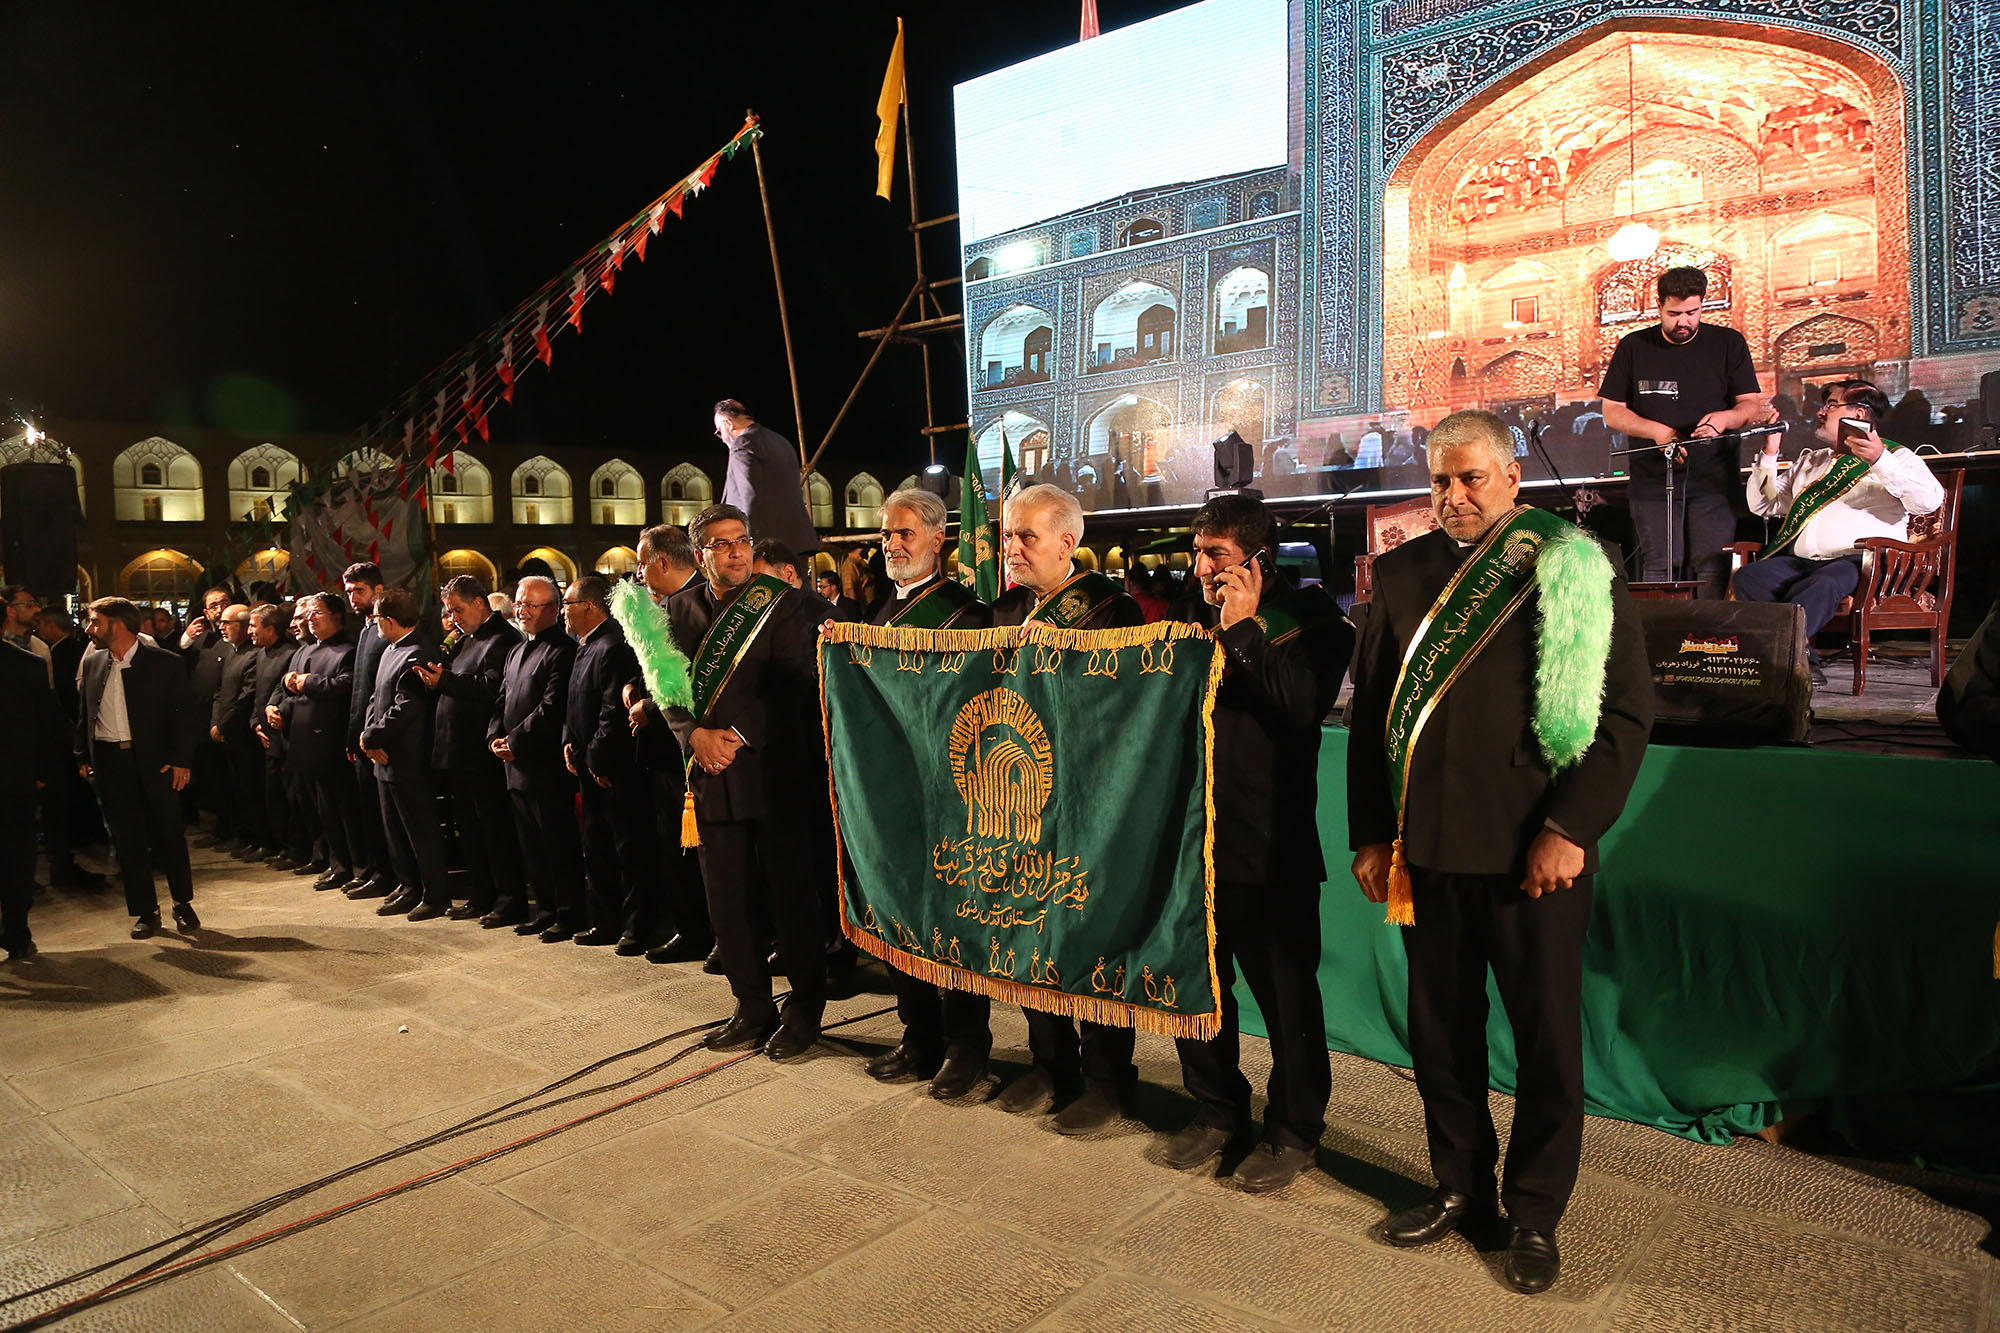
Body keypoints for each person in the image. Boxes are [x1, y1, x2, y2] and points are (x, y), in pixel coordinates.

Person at [1346, 410, 1653, 1294]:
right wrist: (1373, 832)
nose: (1453, 496)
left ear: (1511, 478)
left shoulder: (1569, 562)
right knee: (1442, 1036)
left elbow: (1623, 713)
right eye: (1440, 480)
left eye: (1471, 478)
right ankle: (1457, 1187)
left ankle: (1534, 1214)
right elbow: (1373, 718)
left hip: (1532, 854)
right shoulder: (1401, 574)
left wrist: (1571, 828)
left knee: (1547, 1041)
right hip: (1430, 851)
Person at [1163, 494, 1353, 1191]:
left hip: (1271, 845)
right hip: (1196, 840)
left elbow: (1300, 705)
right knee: (1199, 988)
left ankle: (1296, 1129)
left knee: (1287, 1000)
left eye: (1215, 553)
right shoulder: (1191, 621)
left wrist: (1242, 631)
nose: (1202, 567)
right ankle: (1216, 1109)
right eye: (1198, 552)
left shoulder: (1314, 622)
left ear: (1257, 557)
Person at [988, 483, 1145, 1133]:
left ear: (1067, 542)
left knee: (1091, 942)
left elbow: (1126, 711)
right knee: (1028, 932)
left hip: (1089, 805)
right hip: (1020, 802)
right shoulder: (1003, 613)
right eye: (1008, 535)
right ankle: (1051, 1063)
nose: (1013, 547)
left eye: (1027, 535)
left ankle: (1108, 1080)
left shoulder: (1115, 611)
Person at [666, 502, 833, 1060]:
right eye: (722, 544)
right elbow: (663, 682)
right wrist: (692, 735)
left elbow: (798, 684)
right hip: (709, 776)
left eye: (742, 540)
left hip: (774, 770)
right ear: (700, 554)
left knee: (791, 897)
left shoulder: (782, 605)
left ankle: (805, 1009)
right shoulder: (677, 610)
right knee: (728, 899)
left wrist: (732, 735)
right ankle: (752, 1005)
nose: (736, 551)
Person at [859, 487, 994, 1099]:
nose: (892, 545)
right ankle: (919, 1036)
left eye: (904, 533)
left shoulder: (964, 614)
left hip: (946, 794)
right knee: (898, 911)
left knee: (953, 922)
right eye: (886, 534)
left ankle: (967, 1046)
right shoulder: (882, 607)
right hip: (893, 794)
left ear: (939, 539)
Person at [1739, 378, 1943, 686]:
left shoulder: (1899, 458)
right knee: (1749, 577)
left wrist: (1878, 461)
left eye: (1830, 406)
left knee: (1823, 582)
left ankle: (1781, 655)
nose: (1820, 412)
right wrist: (1769, 454)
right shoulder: (1812, 460)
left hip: (1862, 563)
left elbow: (1928, 501)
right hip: (1805, 560)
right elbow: (1765, 505)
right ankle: (1801, 655)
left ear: (1859, 415)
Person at [1599, 266, 1767, 597]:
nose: (1684, 322)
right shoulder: (1633, 347)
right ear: (1658, 307)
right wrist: (1659, 432)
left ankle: (1709, 643)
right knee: (1660, 562)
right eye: (1674, 314)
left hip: (1714, 479)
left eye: (1692, 312)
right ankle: (1660, 643)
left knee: (1712, 563)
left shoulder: (1727, 343)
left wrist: (1721, 419)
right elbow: (1612, 411)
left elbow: (1749, 404)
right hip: (1652, 479)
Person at [75, 597, 203, 939]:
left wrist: (181, 760)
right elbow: (85, 715)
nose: (89, 629)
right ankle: (146, 911)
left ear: (117, 625)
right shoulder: (93, 663)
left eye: (95, 622)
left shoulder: (164, 663)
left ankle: (182, 901)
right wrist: (82, 757)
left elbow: (183, 716)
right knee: (127, 840)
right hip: (110, 762)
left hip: (156, 762)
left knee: (169, 835)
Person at [414, 575, 527, 926]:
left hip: (483, 753)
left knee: (495, 831)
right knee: (471, 832)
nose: (454, 617)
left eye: (458, 609)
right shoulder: (467, 640)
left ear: (479, 603)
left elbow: (492, 688)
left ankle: (508, 899)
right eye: (449, 611)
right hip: (458, 753)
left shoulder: (503, 639)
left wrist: (443, 680)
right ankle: (482, 895)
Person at [625, 523, 712, 963]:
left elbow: (698, 681)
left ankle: (710, 933)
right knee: (673, 848)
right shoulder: (664, 604)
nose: (639, 574)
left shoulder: (698, 605)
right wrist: (634, 691)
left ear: (662, 561)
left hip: (692, 748)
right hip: (663, 751)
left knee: (702, 854)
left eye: (642, 564)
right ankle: (690, 927)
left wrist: (651, 709)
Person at [489, 575, 586, 942]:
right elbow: (502, 698)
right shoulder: (516, 650)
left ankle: (568, 912)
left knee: (556, 844)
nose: (521, 610)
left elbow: (551, 708)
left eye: (530, 605)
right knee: (530, 844)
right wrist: (495, 736)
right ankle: (544, 909)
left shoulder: (562, 649)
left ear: (552, 609)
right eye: (518, 603)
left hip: (545, 765)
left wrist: (515, 740)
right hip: (514, 764)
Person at [559, 574, 652, 950]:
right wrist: (569, 742)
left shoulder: (613, 646)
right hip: (587, 765)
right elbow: (574, 703)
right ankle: (606, 920)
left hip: (612, 771)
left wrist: (595, 759)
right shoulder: (584, 646)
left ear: (590, 606)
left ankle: (636, 926)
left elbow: (612, 711)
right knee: (595, 848)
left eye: (567, 603)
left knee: (627, 851)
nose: (563, 611)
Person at [358, 589, 451, 921]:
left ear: (389, 620)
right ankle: (407, 885)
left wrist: (372, 736)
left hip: (407, 757)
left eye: (377, 618)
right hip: (383, 754)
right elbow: (375, 698)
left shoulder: (418, 652)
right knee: (394, 827)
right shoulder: (390, 650)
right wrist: (368, 737)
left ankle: (434, 894)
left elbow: (406, 706)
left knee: (419, 829)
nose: (374, 624)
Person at [285, 595, 363, 891]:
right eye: (309, 614)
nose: (310, 618)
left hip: (333, 741)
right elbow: (292, 683)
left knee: (345, 810)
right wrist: (287, 688)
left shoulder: (348, 650)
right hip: (307, 742)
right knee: (324, 812)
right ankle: (338, 864)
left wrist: (307, 682)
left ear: (336, 616)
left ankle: (358, 866)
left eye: (317, 613)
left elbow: (347, 686)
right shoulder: (306, 650)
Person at [3, 637, 64, 961]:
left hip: (17, 779)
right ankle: (15, 933)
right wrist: (41, 771)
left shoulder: (30, 664)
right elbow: (47, 726)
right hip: (16, 779)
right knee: (16, 857)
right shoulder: (29, 664)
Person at [340, 562, 394, 896]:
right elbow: (359, 691)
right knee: (368, 811)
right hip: (361, 734)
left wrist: (374, 734)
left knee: (382, 814)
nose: (352, 598)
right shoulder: (364, 629)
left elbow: (383, 692)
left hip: (380, 736)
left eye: (359, 590)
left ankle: (388, 875)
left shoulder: (384, 631)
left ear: (378, 590)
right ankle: (375, 870)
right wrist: (352, 736)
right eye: (348, 592)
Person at [713, 398, 819, 557]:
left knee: (761, 583)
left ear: (728, 424)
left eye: (719, 431)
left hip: (765, 547)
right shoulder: (780, 441)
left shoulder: (743, 444)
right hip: (797, 541)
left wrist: (746, 543)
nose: (721, 437)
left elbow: (750, 497)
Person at [248, 603, 310, 870]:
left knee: (290, 797)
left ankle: (297, 850)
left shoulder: (289, 654)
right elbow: (260, 694)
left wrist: (273, 719)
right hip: (267, 736)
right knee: (273, 795)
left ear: (271, 629)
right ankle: (283, 845)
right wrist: (256, 724)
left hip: (286, 737)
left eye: (254, 626)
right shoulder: (261, 654)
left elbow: (285, 692)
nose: (249, 631)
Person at [210, 605, 269, 860]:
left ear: (246, 626)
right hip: (227, 733)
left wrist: (223, 725)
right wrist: (216, 723)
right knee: (237, 790)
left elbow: (246, 698)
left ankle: (260, 839)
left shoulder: (254, 655)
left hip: (244, 735)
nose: (222, 626)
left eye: (228, 622)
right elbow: (220, 692)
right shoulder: (231, 652)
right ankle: (245, 835)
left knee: (251, 790)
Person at [182, 585, 239, 847]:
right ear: (206, 612)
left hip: (227, 720)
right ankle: (222, 827)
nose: (219, 610)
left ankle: (235, 830)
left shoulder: (236, 640)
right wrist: (186, 639)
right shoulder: (203, 638)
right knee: (212, 780)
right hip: (201, 720)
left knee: (230, 780)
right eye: (214, 606)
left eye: (224, 603)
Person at [2, 584, 53, 682]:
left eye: (36, 604)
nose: (38, 610)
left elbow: (47, 690)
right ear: (11, 611)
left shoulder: (40, 646)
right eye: (29, 605)